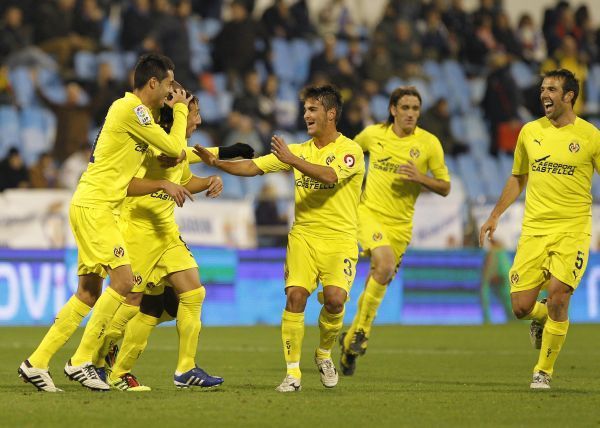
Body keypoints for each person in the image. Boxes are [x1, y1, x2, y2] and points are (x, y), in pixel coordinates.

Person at [18, 53, 192, 392]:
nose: (173, 90)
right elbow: (174, 147)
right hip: (96, 206)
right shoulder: (132, 110)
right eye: (169, 84)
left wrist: (162, 180)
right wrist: (182, 108)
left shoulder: (137, 117)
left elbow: (139, 173)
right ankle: (81, 361)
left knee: (88, 292)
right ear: (153, 83)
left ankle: (36, 363)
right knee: (124, 281)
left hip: (96, 204)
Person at [194, 85, 365, 392]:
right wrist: (217, 163)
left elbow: (329, 176)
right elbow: (253, 166)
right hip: (304, 236)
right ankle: (293, 373)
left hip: (341, 240)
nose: (306, 115)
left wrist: (290, 159)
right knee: (295, 296)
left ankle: (324, 353)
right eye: (305, 110)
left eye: (313, 110)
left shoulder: (349, 151)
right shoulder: (298, 151)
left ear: (331, 114)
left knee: (336, 300)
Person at [93, 84, 254, 391]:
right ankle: (99, 359)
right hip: (138, 230)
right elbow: (128, 181)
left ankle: (185, 369)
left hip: (165, 233)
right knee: (133, 303)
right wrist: (165, 184)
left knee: (193, 292)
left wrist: (209, 180)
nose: (199, 121)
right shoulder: (153, 143)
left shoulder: (175, 146)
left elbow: (184, 176)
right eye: (195, 113)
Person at [479, 69, 600, 389]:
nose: (544, 94)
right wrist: (495, 215)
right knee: (519, 307)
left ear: (569, 96)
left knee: (560, 296)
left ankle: (543, 371)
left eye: (552, 89)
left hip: (572, 231)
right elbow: (518, 176)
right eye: (543, 89)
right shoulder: (530, 132)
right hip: (534, 230)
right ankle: (541, 314)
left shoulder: (590, 136)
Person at [339, 86, 451, 376]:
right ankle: (362, 330)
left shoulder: (429, 144)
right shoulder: (373, 134)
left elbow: (445, 186)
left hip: (401, 226)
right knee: (385, 263)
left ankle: (350, 342)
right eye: (405, 108)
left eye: (415, 108)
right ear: (393, 110)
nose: (411, 114)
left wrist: (421, 178)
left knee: (382, 273)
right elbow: (347, 155)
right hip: (369, 213)